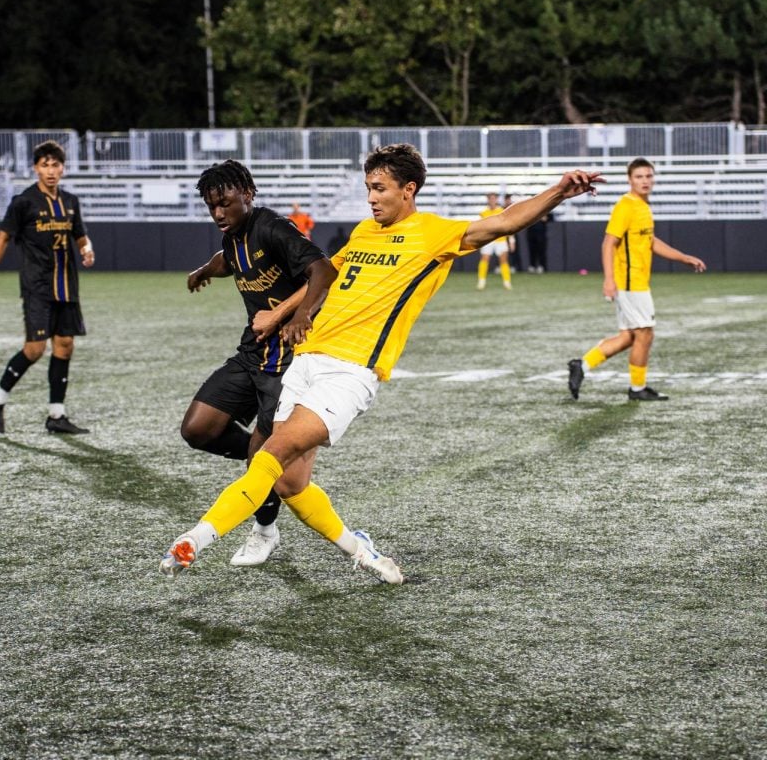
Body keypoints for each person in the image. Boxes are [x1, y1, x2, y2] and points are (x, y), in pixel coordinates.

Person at [160, 144, 602, 581]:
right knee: (290, 484)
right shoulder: (362, 232)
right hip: (305, 359)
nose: (370, 197)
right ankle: (362, 551)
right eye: (368, 188)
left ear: (408, 189)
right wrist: (284, 313)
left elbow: (504, 222)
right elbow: (328, 275)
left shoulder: (433, 234)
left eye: (379, 188)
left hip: (349, 372)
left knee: (268, 455)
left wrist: (559, 191)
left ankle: (194, 540)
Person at [182, 160, 333, 566]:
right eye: (211, 206)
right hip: (251, 355)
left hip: (287, 364)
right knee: (197, 429)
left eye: (225, 203)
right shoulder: (233, 235)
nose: (218, 214)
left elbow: (323, 269)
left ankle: (265, 531)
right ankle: (266, 463)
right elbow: (227, 261)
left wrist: (299, 315)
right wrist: (203, 271)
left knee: (259, 455)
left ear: (247, 194)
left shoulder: (273, 227)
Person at [0, 140, 95, 435]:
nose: (51, 171)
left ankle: (56, 415)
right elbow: (2, 239)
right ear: (35, 168)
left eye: (56, 165)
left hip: (66, 285)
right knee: (34, 349)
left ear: (62, 168)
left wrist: (86, 249)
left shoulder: (70, 202)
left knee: (65, 346)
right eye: (45, 165)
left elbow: (80, 235)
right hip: (37, 286)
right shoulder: (23, 202)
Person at [567, 158, 706, 402]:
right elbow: (608, 242)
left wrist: (683, 258)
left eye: (649, 176)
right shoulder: (626, 206)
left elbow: (650, 241)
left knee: (629, 337)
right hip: (630, 282)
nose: (645, 181)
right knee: (645, 334)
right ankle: (637, 388)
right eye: (639, 176)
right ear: (630, 179)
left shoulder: (642, 206)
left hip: (637, 281)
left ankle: (582, 365)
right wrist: (609, 280)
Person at [475, 192, 512, 290]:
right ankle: (481, 282)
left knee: (503, 260)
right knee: (484, 259)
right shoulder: (483, 213)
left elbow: (508, 226)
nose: (492, 200)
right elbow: (480, 227)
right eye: (490, 198)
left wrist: (512, 240)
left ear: (496, 200)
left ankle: (507, 282)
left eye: (493, 198)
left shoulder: (502, 211)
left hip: (500, 239)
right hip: (488, 240)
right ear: (488, 200)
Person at [527, 206, 551, 273]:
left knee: (541, 251)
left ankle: (541, 266)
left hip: (541, 234)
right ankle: (532, 266)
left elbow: (550, 218)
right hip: (531, 234)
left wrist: (545, 217)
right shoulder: (530, 212)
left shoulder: (544, 210)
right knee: (532, 251)